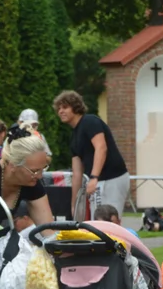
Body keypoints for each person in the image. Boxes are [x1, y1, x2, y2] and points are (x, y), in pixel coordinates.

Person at [54, 90, 131, 218]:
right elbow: (77, 173)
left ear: (75, 107)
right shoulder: (74, 137)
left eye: (65, 107)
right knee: (98, 222)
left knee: (109, 220)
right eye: (59, 108)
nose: (60, 111)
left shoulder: (90, 121)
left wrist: (94, 177)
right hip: (97, 182)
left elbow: (101, 147)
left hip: (112, 178)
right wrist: (75, 204)